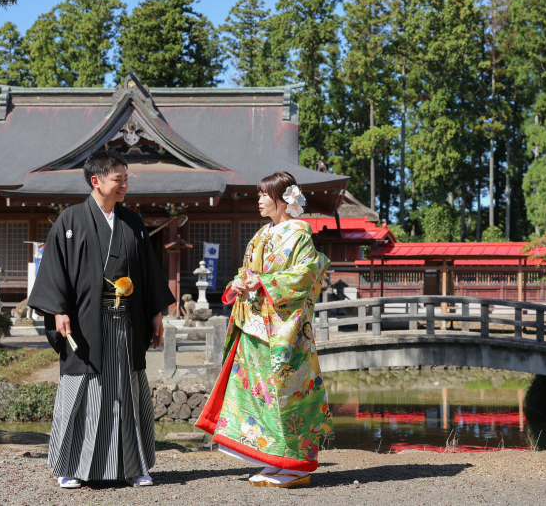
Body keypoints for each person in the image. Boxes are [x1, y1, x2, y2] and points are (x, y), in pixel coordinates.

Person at [28, 149, 175, 489]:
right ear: (96, 181)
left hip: (125, 321)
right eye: (117, 178)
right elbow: (54, 271)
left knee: (126, 389)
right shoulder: (70, 220)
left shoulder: (133, 223)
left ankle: (134, 465)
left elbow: (149, 273)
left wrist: (156, 313)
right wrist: (58, 310)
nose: (124, 184)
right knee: (82, 390)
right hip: (83, 321)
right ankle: (72, 467)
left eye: (126, 178)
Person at [196, 171, 333, 488]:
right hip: (254, 325)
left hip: (282, 329)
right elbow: (247, 271)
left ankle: (297, 466)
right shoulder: (261, 234)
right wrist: (240, 284)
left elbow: (306, 276)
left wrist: (266, 282)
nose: (258, 200)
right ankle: (272, 461)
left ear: (283, 199)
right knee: (261, 398)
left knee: (286, 395)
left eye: (263, 195)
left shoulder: (299, 235)